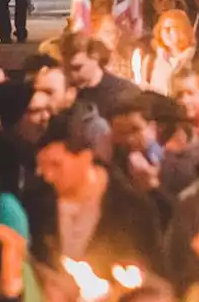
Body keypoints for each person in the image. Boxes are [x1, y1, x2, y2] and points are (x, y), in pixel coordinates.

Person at [25, 105, 166, 275]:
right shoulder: (36, 203)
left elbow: (152, 270)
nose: (48, 176)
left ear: (85, 157)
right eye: (42, 168)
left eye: (56, 165)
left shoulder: (131, 208)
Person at [60, 34, 139, 119]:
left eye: (77, 68)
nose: (71, 75)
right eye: (66, 69)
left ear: (95, 57)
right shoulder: (66, 93)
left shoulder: (124, 93)